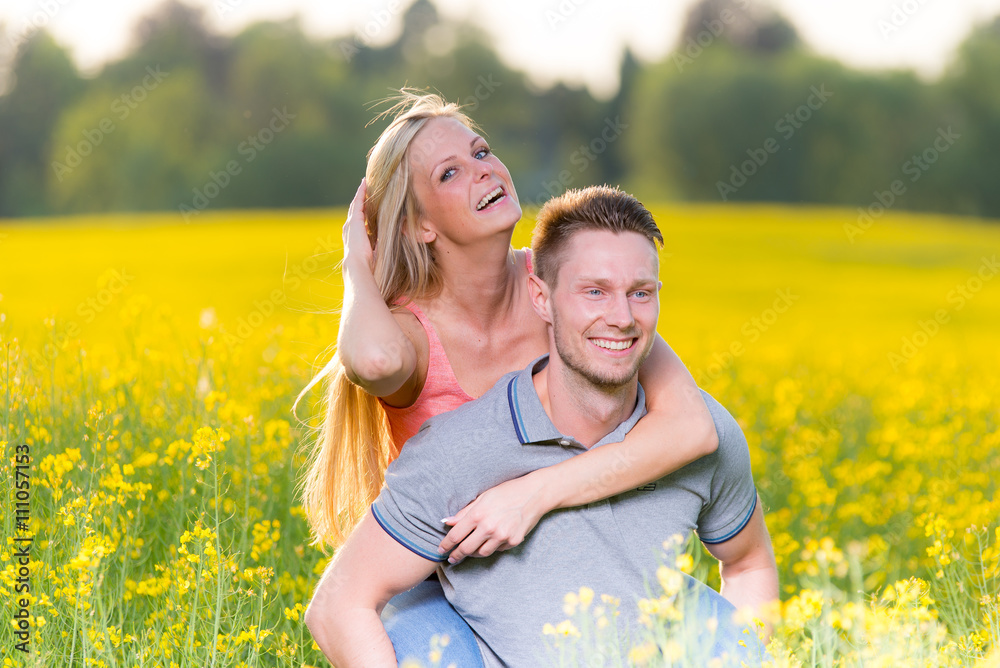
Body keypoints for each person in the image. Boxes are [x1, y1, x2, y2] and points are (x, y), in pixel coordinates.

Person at [298, 91, 719, 665]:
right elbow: (371, 362)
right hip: (447, 583)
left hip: (577, 560)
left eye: (481, 152)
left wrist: (533, 494)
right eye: (449, 173)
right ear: (420, 224)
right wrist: (356, 261)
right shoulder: (411, 336)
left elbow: (691, 427)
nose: (483, 170)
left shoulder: (564, 289)